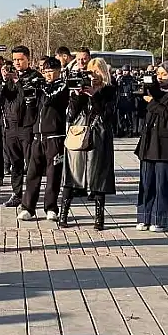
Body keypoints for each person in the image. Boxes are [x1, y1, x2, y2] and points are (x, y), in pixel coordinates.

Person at [61, 56, 117, 229]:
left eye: (97, 72)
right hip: (78, 134)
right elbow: (70, 115)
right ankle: (63, 214)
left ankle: (99, 218)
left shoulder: (109, 91)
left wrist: (95, 96)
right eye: (90, 72)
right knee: (72, 173)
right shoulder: (80, 89)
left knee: (99, 176)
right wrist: (78, 95)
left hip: (99, 136)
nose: (93, 76)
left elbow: (108, 115)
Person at [135, 60, 168, 232]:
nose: (160, 78)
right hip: (149, 142)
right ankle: (144, 217)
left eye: (164, 74)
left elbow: (167, 113)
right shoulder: (155, 91)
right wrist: (145, 93)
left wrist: (151, 101)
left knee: (163, 184)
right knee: (146, 183)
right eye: (158, 74)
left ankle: (161, 219)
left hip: (166, 145)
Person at [19, 57, 70, 222]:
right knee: (32, 173)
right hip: (38, 135)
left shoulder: (62, 85)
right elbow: (32, 108)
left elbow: (49, 98)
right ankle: (28, 207)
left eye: (51, 71)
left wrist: (40, 86)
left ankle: (51, 207)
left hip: (55, 136)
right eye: (45, 72)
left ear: (58, 71)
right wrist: (30, 97)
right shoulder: (41, 87)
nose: (47, 75)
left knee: (53, 173)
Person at [0, 46, 40, 208]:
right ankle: (16, 194)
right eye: (14, 60)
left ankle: (30, 197)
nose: (16, 63)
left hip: (27, 126)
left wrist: (18, 81)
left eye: (20, 59)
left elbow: (29, 98)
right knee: (15, 163)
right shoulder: (8, 79)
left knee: (30, 163)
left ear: (28, 59)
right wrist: (4, 80)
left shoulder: (35, 77)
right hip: (10, 127)